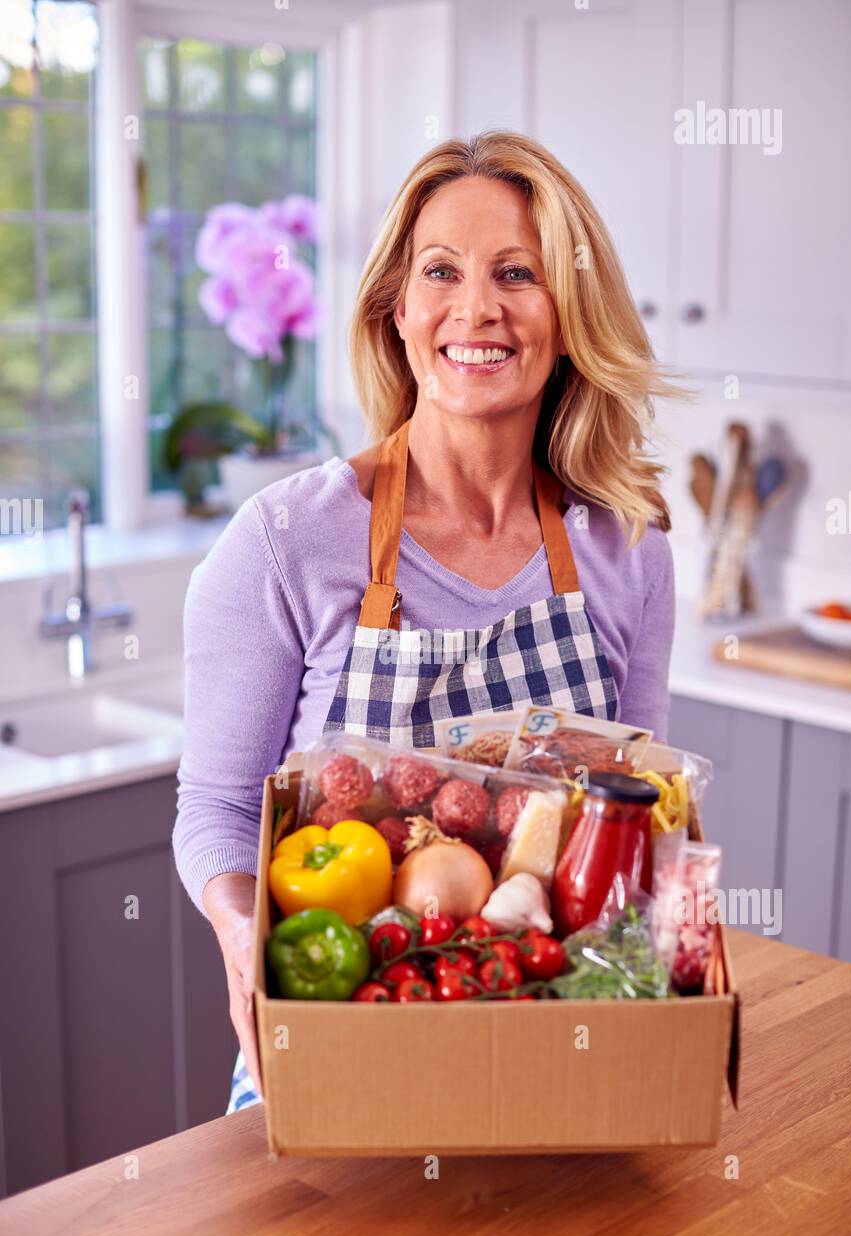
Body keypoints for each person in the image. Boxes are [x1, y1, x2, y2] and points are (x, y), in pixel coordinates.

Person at [173, 130, 679, 1113]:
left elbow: (637, 813)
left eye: (517, 273)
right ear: (397, 312)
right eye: (439, 271)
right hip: (336, 1056)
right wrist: (247, 949)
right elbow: (221, 811)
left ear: (569, 315)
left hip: (558, 1054)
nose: (476, 309)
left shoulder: (629, 550)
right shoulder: (284, 541)